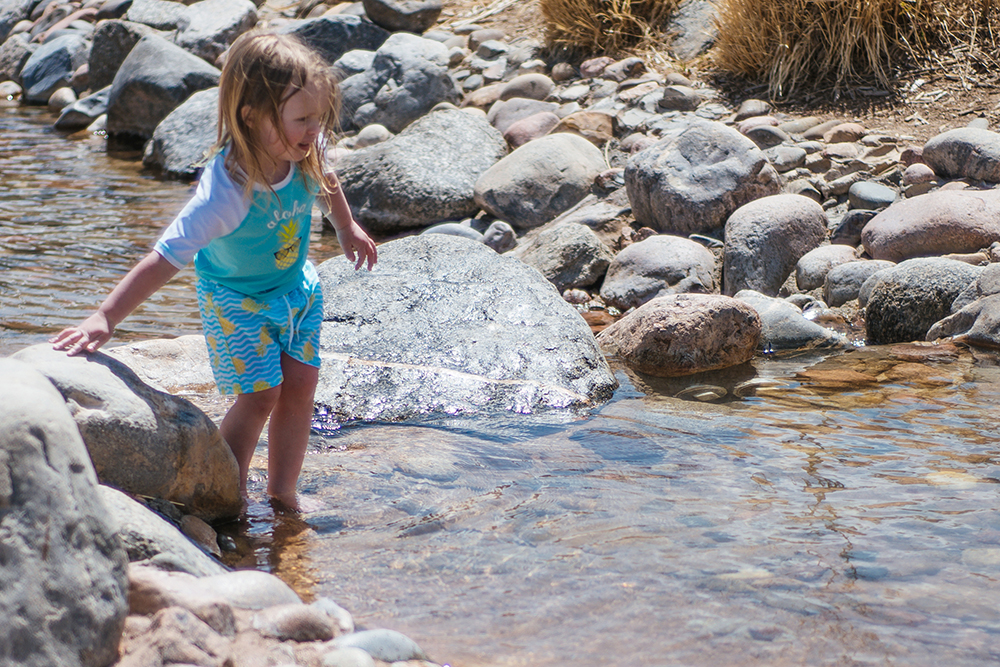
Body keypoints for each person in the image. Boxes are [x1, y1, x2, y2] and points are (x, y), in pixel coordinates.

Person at [51, 30, 377, 512]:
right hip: (236, 303)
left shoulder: (305, 148)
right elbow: (164, 258)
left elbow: (325, 178)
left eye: (319, 118)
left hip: (296, 290)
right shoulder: (226, 192)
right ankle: (229, 492)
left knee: (302, 384)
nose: (315, 131)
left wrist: (346, 226)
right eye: (303, 119)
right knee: (261, 395)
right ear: (253, 116)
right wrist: (106, 316)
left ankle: (283, 492)